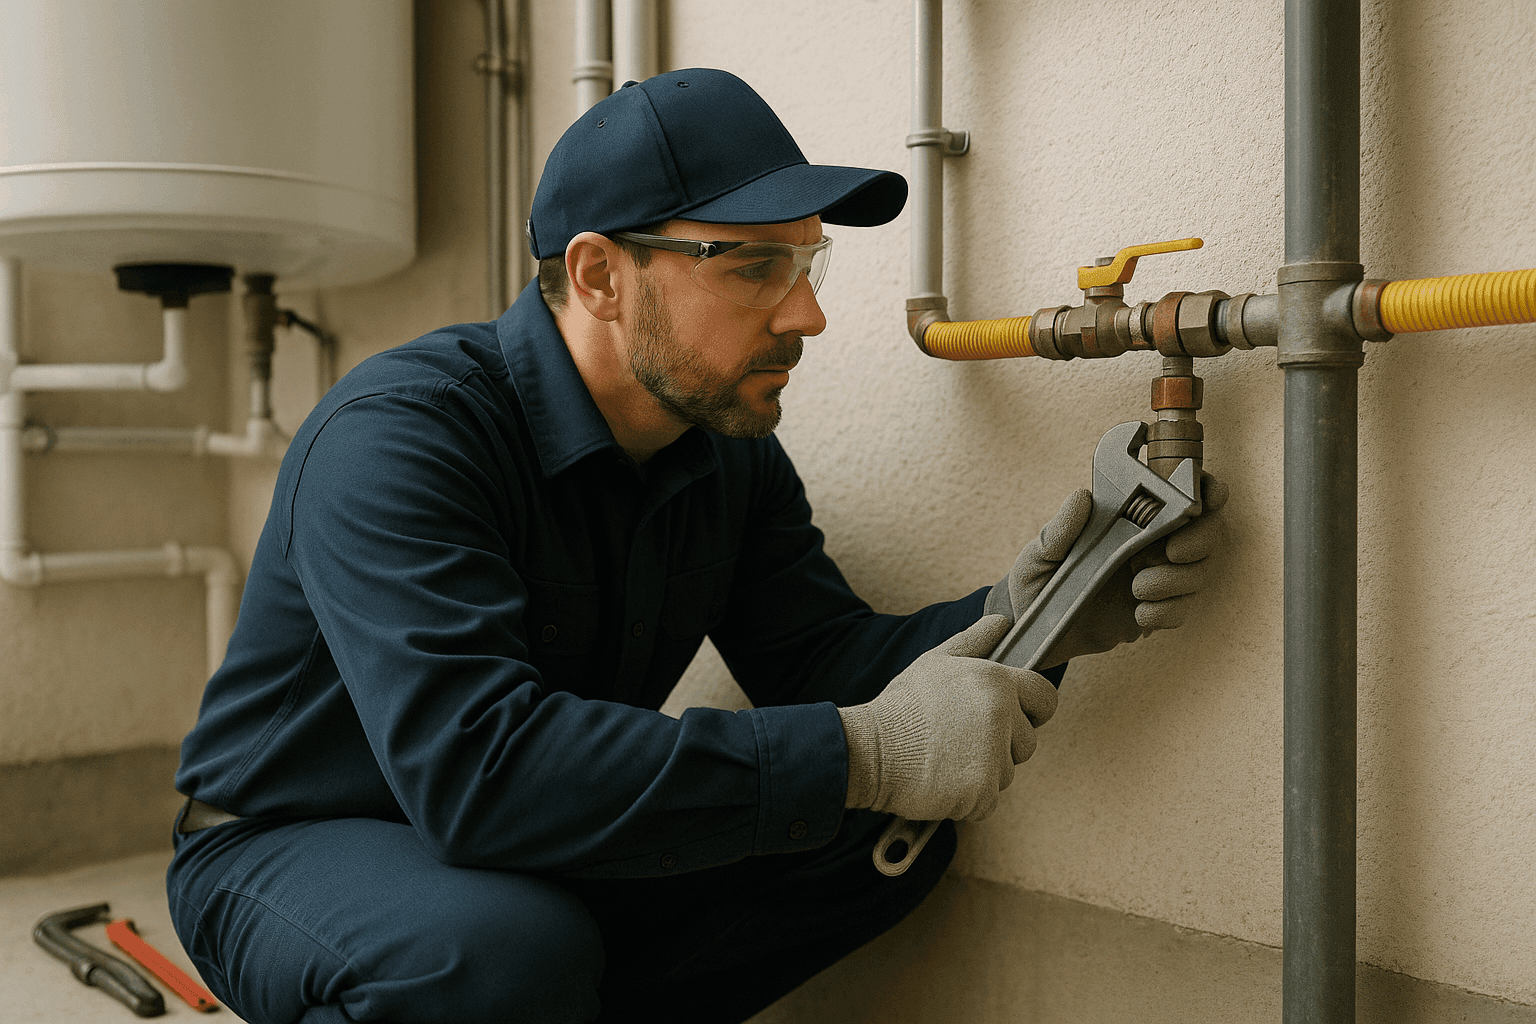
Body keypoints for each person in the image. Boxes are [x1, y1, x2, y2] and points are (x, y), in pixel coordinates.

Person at [167, 69, 1225, 1024]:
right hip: (289, 843)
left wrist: (1030, 615)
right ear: (598, 275)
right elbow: (479, 770)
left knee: (881, 843)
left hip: (512, 844)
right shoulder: (404, 434)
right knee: (487, 952)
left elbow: (816, 660)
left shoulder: (721, 449)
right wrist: (867, 750)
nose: (806, 312)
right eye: (756, 266)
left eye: (809, 262)